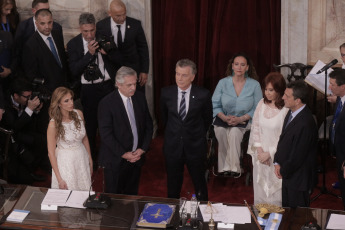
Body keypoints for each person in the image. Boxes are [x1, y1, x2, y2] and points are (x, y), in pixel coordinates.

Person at [67, 13, 121, 166]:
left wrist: (107, 53)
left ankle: (111, 155)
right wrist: (89, 55)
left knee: (111, 123)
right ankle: (93, 159)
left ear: (95, 27)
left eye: (92, 30)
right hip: (88, 90)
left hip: (108, 87)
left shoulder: (105, 38)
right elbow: (74, 70)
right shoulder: (73, 44)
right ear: (80, 29)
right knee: (90, 125)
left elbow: (119, 60)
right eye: (85, 31)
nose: (90, 35)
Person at [160, 59, 212, 201]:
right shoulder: (166, 93)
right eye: (177, 74)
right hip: (173, 147)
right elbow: (164, 119)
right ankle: (173, 214)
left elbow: (207, 120)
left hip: (195, 147)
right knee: (173, 185)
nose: (179, 78)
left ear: (192, 77)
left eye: (184, 75)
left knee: (199, 183)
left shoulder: (203, 95)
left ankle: (203, 214)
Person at [98, 66, 153, 195]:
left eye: (134, 84)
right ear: (118, 84)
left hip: (136, 159)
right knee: (114, 199)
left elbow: (148, 126)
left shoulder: (139, 98)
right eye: (129, 85)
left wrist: (142, 149)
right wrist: (124, 153)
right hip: (115, 161)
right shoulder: (106, 103)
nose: (133, 88)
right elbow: (106, 135)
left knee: (131, 197)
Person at [212, 52, 262, 177]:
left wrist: (241, 118)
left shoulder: (254, 85)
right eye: (237, 64)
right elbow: (215, 104)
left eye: (242, 65)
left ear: (247, 68)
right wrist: (223, 117)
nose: (239, 67)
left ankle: (234, 168)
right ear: (232, 66)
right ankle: (223, 166)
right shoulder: (222, 83)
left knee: (234, 132)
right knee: (221, 132)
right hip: (223, 118)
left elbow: (258, 107)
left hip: (245, 120)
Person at [274, 80, 318, 208]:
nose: (283, 98)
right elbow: (284, 140)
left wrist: (283, 170)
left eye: (287, 96)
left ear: (298, 100)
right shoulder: (292, 112)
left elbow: (298, 155)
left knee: (298, 217)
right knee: (288, 212)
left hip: (299, 179)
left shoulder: (306, 123)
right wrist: (277, 162)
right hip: (290, 175)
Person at [247, 72, 288, 206]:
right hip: (261, 155)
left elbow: (285, 137)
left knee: (277, 189)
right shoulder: (261, 103)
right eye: (266, 89)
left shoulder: (286, 109)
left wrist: (270, 153)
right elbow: (256, 128)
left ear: (279, 90)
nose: (267, 93)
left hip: (278, 156)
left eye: (271, 90)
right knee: (261, 188)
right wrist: (259, 151)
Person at [96, 0, 149, 92]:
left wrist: (144, 71)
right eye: (118, 16)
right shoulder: (101, 25)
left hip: (133, 71)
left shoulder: (135, 24)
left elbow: (143, 48)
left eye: (124, 14)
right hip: (112, 73)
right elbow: (99, 44)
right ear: (110, 13)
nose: (122, 18)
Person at [0, 77, 45, 183]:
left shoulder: (23, 100)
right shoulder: (5, 104)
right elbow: (14, 126)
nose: (29, 99)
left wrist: (35, 110)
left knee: (42, 140)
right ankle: (28, 173)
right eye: (27, 97)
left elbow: (28, 122)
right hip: (9, 139)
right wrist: (29, 109)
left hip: (21, 132)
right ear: (16, 96)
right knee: (25, 178)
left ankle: (33, 169)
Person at [47, 87, 92, 191]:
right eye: (66, 101)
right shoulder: (53, 125)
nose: (71, 103)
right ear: (58, 104)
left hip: (81, 158)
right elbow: (51, 153)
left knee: (84, 192)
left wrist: (90, 158)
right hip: (66, 163)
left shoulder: (79, 114)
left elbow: (84, 138)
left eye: (71, 99)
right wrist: (59, 179)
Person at [22, 9, 68, 93]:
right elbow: (31, 75)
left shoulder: (57, 34)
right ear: (36, 24)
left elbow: (62, 61)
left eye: (49, 22)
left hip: (64, 86)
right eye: (42, 23)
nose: (47, 26)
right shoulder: (30, 45)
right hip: (48, 91)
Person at [14, 0, 62, 73]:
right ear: (34, 10)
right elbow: (17, 52)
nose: (47, 26)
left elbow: (60, 54)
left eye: (48, 9)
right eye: (43, 10)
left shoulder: (56, 27)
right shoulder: (23, 27)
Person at [328, 69, 345, 210]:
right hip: (339, 153)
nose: (329, 88)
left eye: (332, 84)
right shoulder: (340, 98)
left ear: (343, 86)